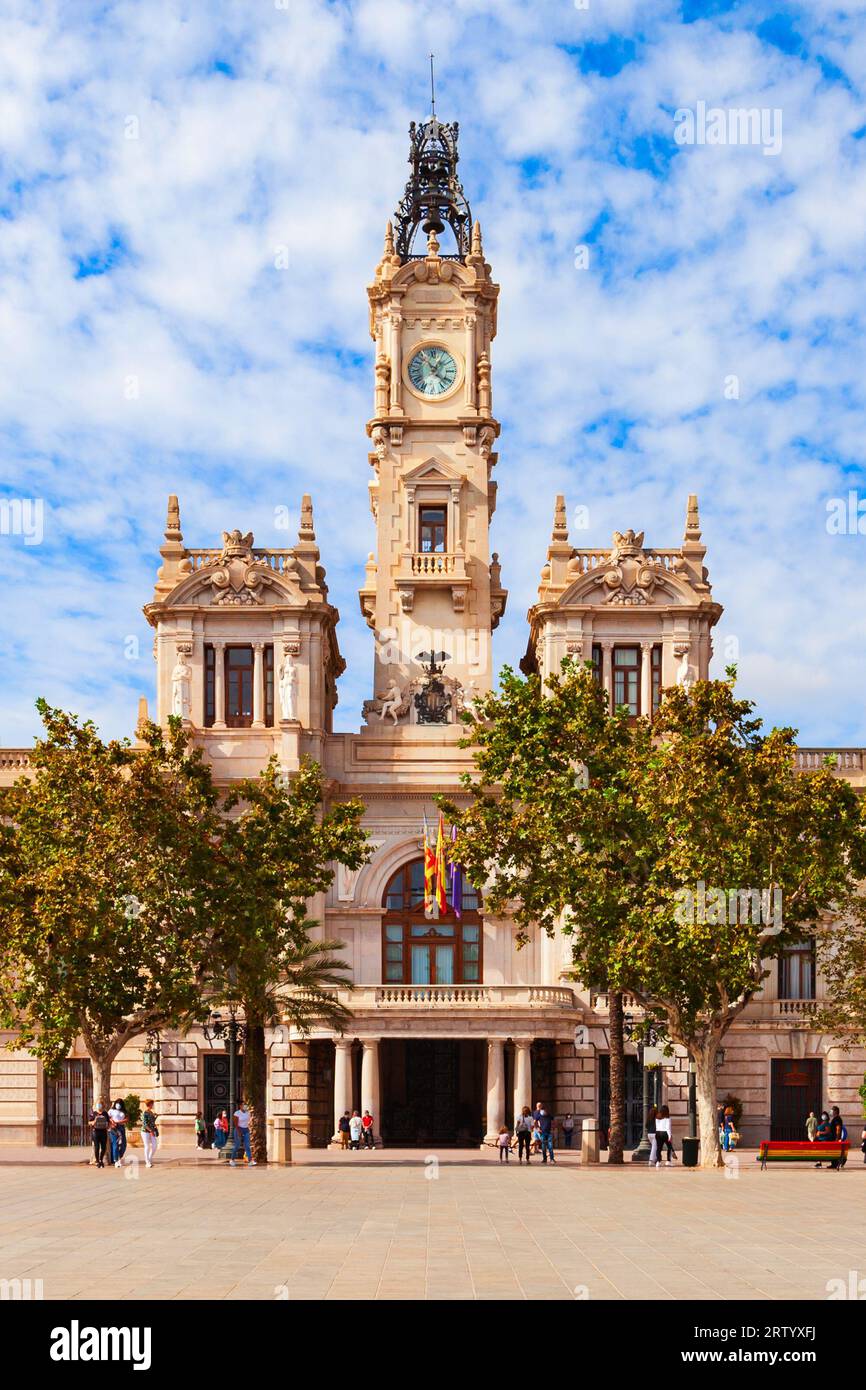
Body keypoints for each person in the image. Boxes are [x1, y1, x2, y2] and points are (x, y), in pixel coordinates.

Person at [229, 1100, 256, 1166]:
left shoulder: (248, 1113)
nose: (245, 1106)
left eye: (246, 1105)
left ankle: (250, 1161)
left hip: (246, 1129)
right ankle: (232, 1160)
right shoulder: (237, 1113)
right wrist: (239, 1132)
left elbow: (249, 1121)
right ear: (240, 1106)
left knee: (247, 1146)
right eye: (244, 1105)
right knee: (237, 1146)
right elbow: (235, 1123)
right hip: (239, 1129)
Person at [89, 1100, 110, 1169]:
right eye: (98, 1104)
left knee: (104, 1148)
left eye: (100, 1104)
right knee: (97, 1147)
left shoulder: (105, 1113)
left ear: (103, 1105)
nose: (99, 1105)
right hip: (96, 1132)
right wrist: (94, 1121)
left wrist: (108, 1126)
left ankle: (101, 1159)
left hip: (103, 1132)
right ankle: (97, 1161)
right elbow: (89, 1122)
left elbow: (108, 1122)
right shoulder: (93, 1113)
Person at [108, 1098, 127, 1167]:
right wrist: (112, 1122)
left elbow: (126, 1119)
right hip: (113, 1128)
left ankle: (119, 1156)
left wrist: (119, 1122)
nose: (118, 1105)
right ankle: (115, 1160)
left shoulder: (124, 1111)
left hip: (121, 1128)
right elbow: (108, 1117)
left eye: (119, 1104)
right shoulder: (111, 1110)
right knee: (115, 1144)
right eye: (117, 1103)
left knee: (124, 1144)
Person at [141, 1099, 159, 1168]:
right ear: (150, 1104)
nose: (153, 1105)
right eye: (152, 1104)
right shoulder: (145, 1113)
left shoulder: (151, 1112)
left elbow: (152, 1122)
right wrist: (150, 1131)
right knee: (147, 1146)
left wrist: (155, 1117)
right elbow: (145, 1124)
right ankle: (147, 1162)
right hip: (145, 1131)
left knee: (154, 1145)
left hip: (152, 1131)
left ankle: (149, 1158)